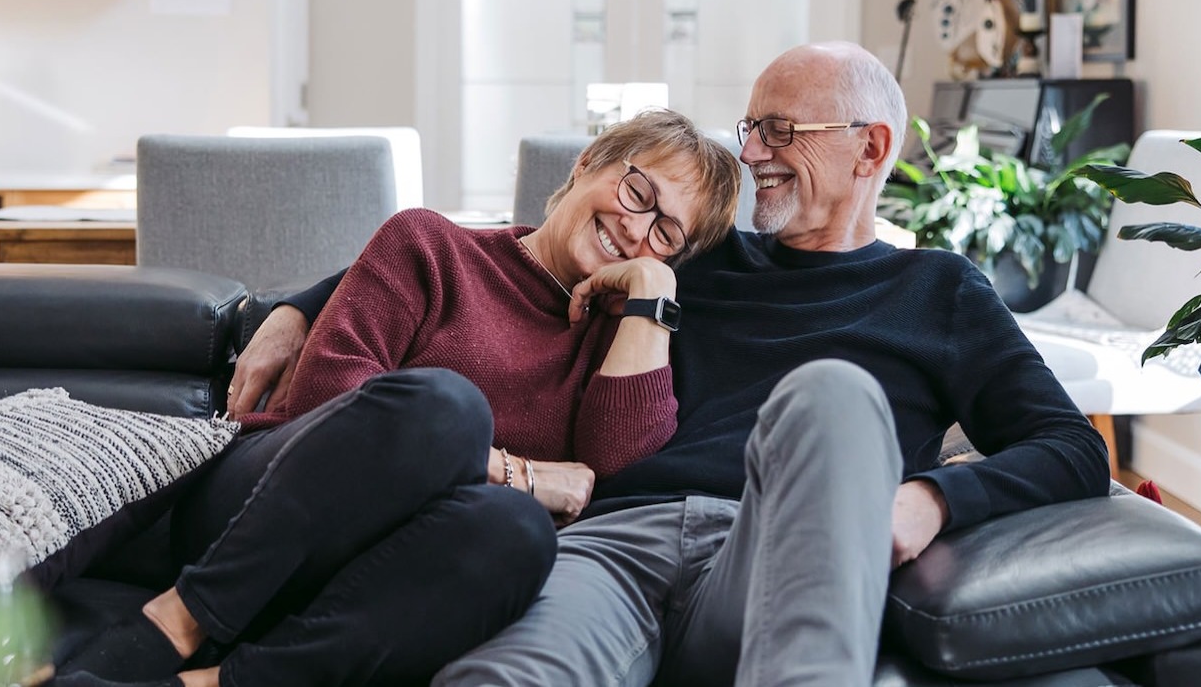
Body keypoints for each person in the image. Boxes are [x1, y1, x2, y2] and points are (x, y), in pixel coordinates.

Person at [232, 42, 1110, 686]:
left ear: (871, 149)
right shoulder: (695, 253)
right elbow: (503, 255)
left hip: (771, 550)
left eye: (780, 131)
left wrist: (933, 499)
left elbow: (1071, 446)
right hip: (608, 545)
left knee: (833, 394)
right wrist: (293, 306)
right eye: (751, 128)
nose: (752, 153)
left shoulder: (940, 291)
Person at [64, 109, 742, 687]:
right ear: (589, 163)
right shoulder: (430, 243)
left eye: (666, 234)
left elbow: (616, 477)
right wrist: (520, 474)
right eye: (637, 192)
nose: (637, 230)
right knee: (444, 408)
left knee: (517, 534)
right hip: (269, 506)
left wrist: (651, 294)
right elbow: (329, 399)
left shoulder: (624, 344)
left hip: (394, 573)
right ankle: (176, 622)